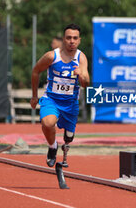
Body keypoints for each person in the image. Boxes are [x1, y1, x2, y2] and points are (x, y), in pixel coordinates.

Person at [30, 24, 90, 168]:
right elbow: (35, 71)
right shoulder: (52, 56)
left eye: (75, 38)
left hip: (70, 104)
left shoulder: (81, 58)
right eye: (68, 38)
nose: (71, 41)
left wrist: (81, 75)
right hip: (51, 100)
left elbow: (86, 84)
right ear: (64, 39)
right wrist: (34, 96)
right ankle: (52, 146)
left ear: (79, 40)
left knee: (68, 138)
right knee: (47, 123)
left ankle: (67, 137)